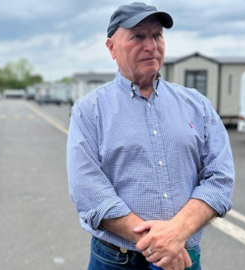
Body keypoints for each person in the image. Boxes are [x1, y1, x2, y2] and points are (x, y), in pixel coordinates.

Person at [66, 2, 235, 270]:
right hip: (116, 259)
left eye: (157, 35)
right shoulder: (90, 111)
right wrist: (160, 243)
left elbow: (220, 177)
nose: (151, 46)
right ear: (111, 47)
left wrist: (177, 233)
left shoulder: (196, 105)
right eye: (138, 36)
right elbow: (88, 190)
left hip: (182, 254)